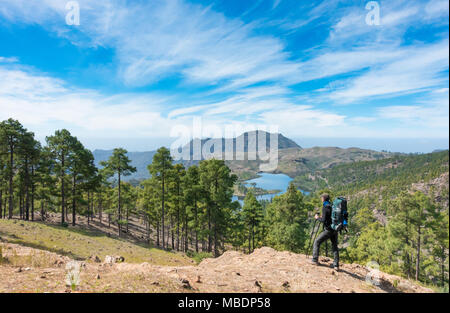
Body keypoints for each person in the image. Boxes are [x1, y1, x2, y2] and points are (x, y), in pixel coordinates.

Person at [311, 193, 339, 271]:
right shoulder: (332, 206)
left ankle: (315, 260)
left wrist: (317, 218)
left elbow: (323, 220)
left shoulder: (325, 207)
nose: (321, 199)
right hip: (335, 229)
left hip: (328, 230)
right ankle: (336, 265)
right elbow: (328, 218)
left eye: (321, 198)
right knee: (334, 246)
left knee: (317, 242)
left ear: (323, 198)